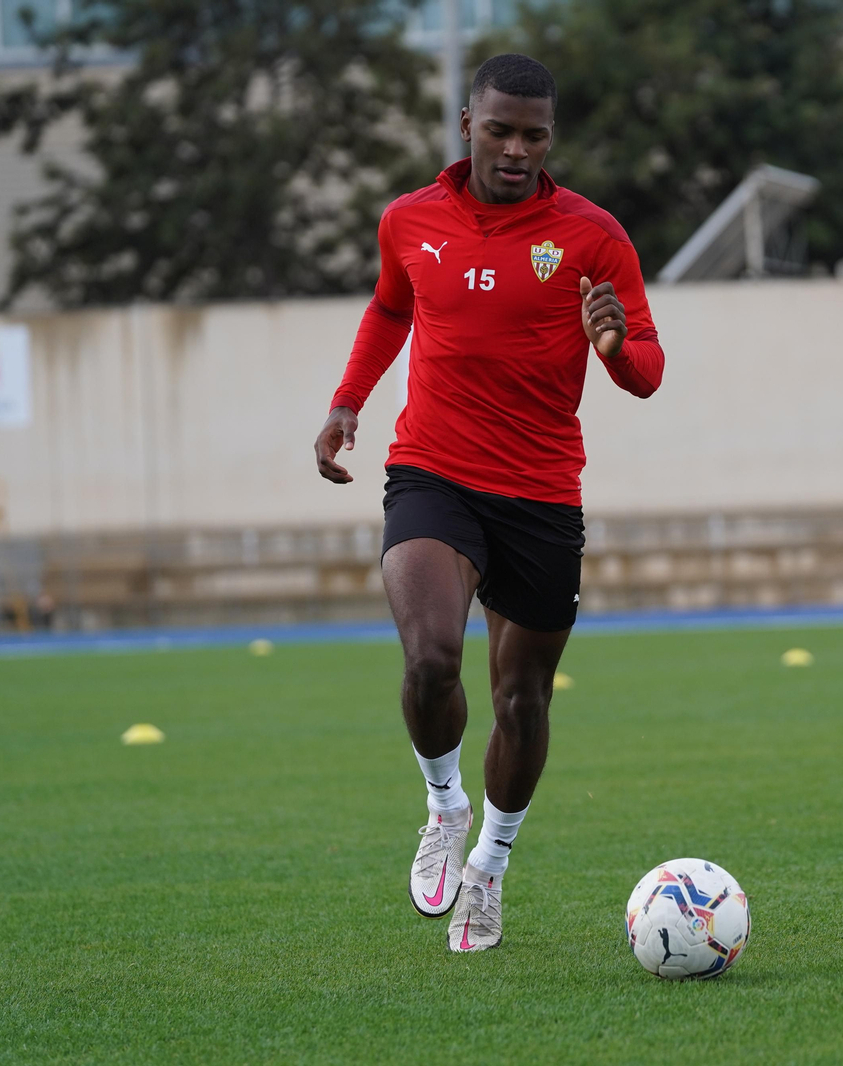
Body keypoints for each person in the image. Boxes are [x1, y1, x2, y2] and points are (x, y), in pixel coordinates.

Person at [312, 54, 664, 949]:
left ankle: (490, 869)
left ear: (552, 139)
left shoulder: (593, 237)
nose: (516, 149)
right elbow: (391, 309)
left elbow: (647, 373)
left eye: (534, 135)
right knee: (431, 660)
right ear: (467, 122)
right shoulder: (409, 220)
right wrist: (348, 402)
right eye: (500, 129)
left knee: (521, 700)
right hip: (431, 470)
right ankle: (443, 806)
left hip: (542, 492)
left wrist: (614, 344)